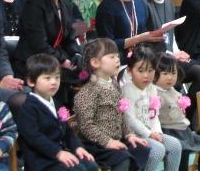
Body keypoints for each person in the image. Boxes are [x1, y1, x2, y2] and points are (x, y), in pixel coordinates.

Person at [140, 0, 200, 121]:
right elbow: (145, 41)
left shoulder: (169, 3)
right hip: (155, 58)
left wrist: (178, 51)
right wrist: (172, 54)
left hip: (171, 56)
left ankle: (190, 118)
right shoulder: (143, 3)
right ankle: (181, 115)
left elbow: (170, 36)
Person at [13, 0, 81, 106]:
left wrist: (76, 54)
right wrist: (63, 60)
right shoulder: (34, 3)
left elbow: (69, 37)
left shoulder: (66, 3)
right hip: (34, 64)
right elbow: (38, 43)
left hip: (56, 61)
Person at [74, 38, 150, 171]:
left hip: (117, 139)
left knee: (141, 149)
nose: (117, 60)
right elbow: (86, 125)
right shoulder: (88, 91)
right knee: (122, 158)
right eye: (112, 57)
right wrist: (108, 142)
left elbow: (121, 114)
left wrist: (129, 134)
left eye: (117, 56)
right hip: (97, 144)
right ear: (95, 62)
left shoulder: (114, 84)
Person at [17, 54, 97, 171]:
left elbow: (68, 132)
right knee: (77, 169)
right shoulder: (28, 108)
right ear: (31, 81)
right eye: (47, 78)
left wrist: (77, 147)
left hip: (58, 156)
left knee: (91, 165)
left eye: (57, 77)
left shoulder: (56, 103)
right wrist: (58, 153)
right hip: (41, 162)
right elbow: (34, 138)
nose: (54, 82)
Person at [121, 46, 182, 171]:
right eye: (141, 71)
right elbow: (130, 120)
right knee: (157, 150)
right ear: (130, 71)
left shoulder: (152, 88)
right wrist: (149, 134)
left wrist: (157, 132)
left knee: (175, 145)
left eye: (150, 70)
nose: (146, 75)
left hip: (151, 132)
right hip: (134, 135)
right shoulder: (127, 90)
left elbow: (154, 115)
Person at [155, 53, 200, 171]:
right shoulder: (154, 93)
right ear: (154, 74)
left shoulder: (174, 91)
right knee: (183, 151)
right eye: (165, 73)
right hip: (169, 132)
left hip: (184, 131)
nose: (170, 77)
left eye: (173, 73)